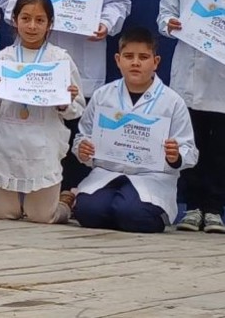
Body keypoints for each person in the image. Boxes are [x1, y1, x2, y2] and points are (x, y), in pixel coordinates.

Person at [0, 0, 130, 196]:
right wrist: (20, 19)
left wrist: (104, 24)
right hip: (34, 61)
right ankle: (28, 191)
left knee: (74, 125)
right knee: (33, 127)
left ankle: (69, 194)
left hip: (82, 56)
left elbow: (119, 3)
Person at [72, 27, 198, 233]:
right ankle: (113, 207)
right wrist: (83, 150)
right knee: (88, 212)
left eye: (144, 57)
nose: (136, 62)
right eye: (129, 56)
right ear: (117, 59)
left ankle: (125, 210)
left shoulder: (172, 101)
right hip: (108, 171)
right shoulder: (102, 95)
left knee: (132, 214)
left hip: (150, 176)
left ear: (156, 62)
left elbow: (190, 151)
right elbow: (82, 137)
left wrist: (175, 156)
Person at [0, 0, 85, 224]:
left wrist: (64, 103)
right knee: (2, 213)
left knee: (42, 216)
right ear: (15, 20)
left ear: (50, 24)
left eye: (40, 20)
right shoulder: (4, 58)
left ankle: (66, 202)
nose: (32, 26)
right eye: (25, 18)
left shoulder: (61, 59)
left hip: (42, 143)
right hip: (7, 140)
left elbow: (77, 108)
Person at [158, 0, 225, 232]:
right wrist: (169, 25)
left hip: (221, 81)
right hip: (187, 75)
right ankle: (192, 206)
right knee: (188, 144)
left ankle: (214, 208)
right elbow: (164, 14)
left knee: (219, 150)